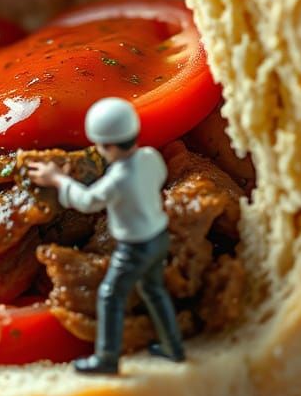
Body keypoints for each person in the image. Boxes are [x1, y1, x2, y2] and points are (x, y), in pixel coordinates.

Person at [27, 97, 185, 375]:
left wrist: (58, 179)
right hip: (159, 238)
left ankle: (107, 358)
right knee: (154, 291)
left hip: (134, 247)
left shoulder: (118, 177)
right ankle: (173, 346)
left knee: (111, 295)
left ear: (109, 146)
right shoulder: (151, 158)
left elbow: (87, 201)